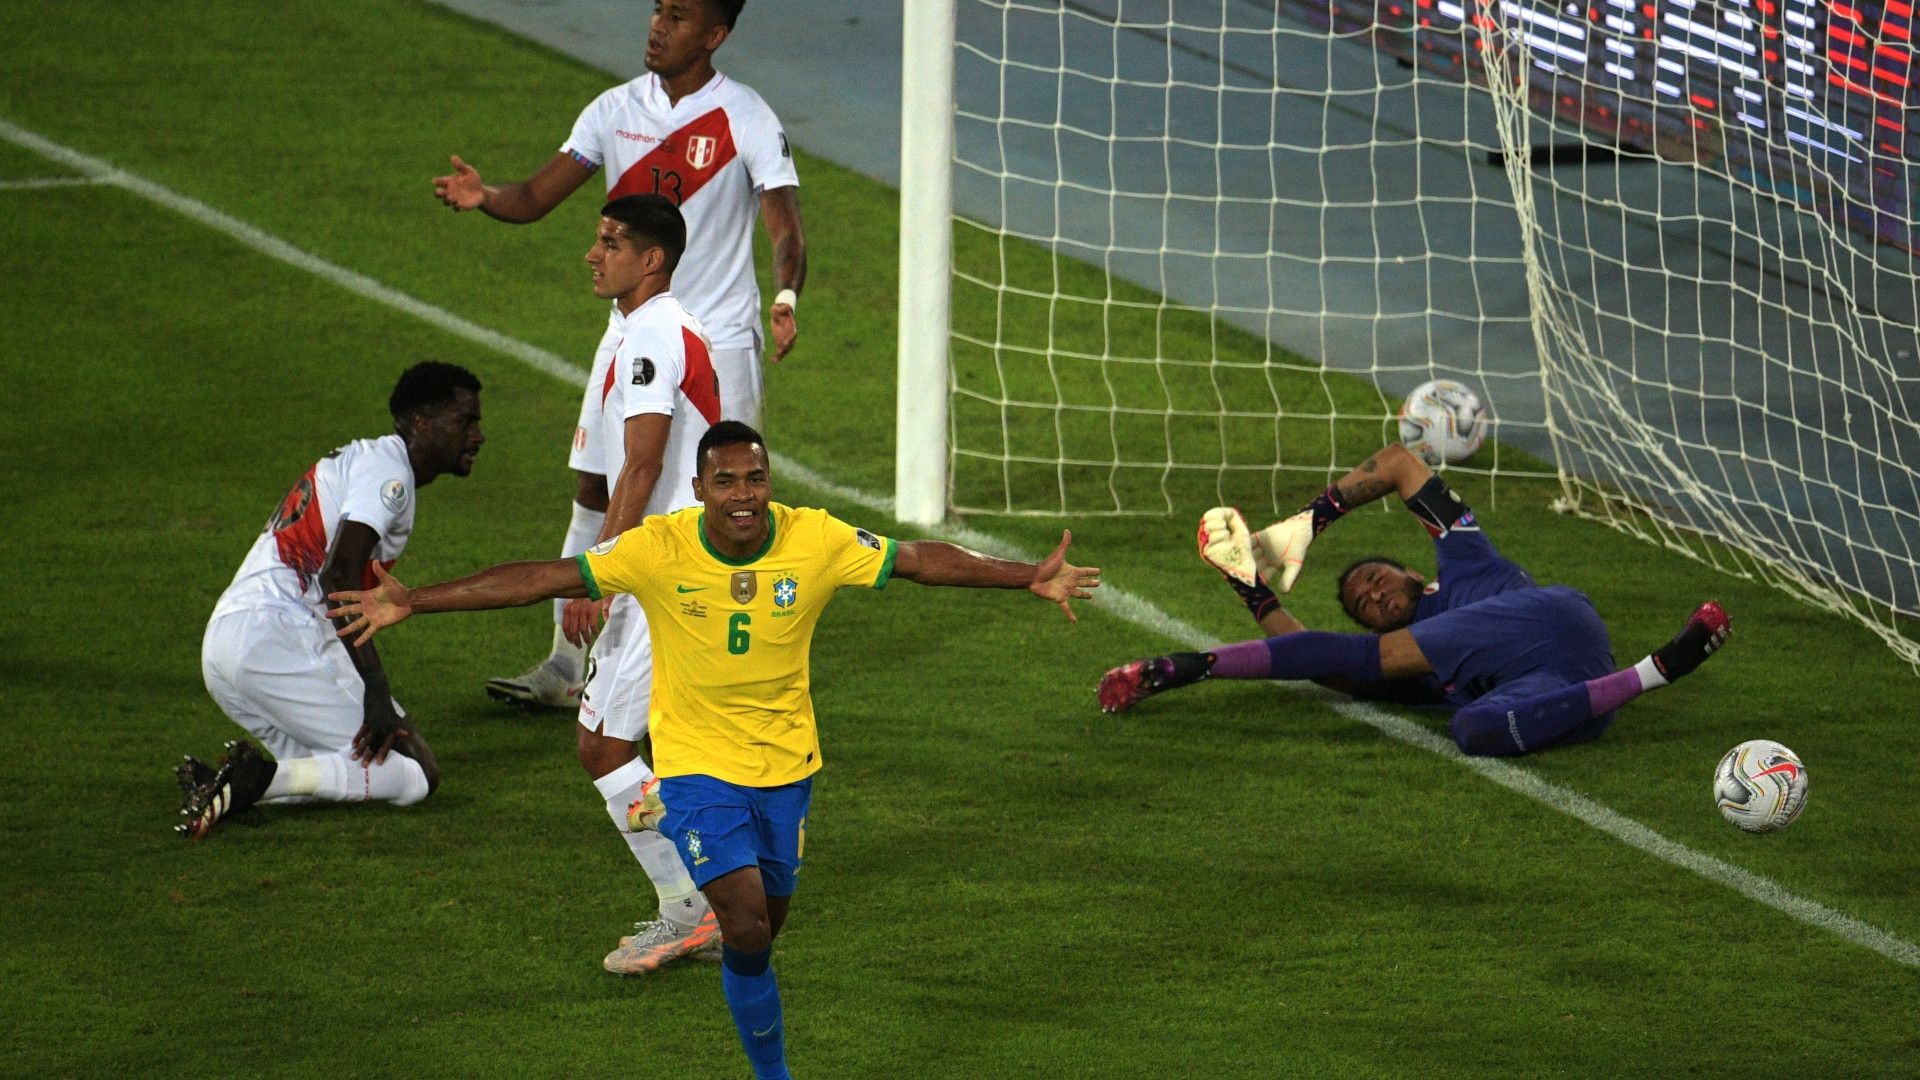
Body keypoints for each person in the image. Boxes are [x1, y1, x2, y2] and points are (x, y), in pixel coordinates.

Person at [327, 421, 1100, 1080]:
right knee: (745, 923)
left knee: (768, 925)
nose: (742, 494)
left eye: (754, 478)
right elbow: (542, 578)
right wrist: (416, 598)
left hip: (788, 769)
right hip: (696, 771)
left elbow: (919, 560)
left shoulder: (816, 540)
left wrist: (1023, 576)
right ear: (699, 489)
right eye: (725, 481)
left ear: (769, 482)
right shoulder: (659, 548)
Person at [433, 0, 806, 710]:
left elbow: (783, 218)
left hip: (714, 344)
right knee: (597, 488)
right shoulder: (613, 109)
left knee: (723, 504)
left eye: (679, 16)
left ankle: (730, 667)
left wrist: (786, 294)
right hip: (629, 336)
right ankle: (569, 667)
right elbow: (539, 195)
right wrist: (487, 197)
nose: (658, 26)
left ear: (716, 35)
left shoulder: (747, 117)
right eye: (657, 10)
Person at [1097, 442, 1732, 756]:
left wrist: (1302, 527)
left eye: (1375, 577)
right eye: (1360, 602)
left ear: (1414, 572)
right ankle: (1653, 672)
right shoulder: (1404, 664)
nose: (1370, 592)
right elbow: (1314, 656)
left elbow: (1402, 462)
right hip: (1564, 685)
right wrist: (1248, 587)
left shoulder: (1465, 563)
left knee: (1364, 661)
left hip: (1548, 617)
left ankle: (1188, 666)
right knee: (1471, 727)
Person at [175, 362, 486, 838]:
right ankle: (257, 778)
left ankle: (236, 783)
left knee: (321, 772)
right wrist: (376, 690)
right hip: (277, 634)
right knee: (415, 773)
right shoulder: (389, 473)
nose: (478, 435)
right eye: (465, 421)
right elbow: (338, 571)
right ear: (422, 423)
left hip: (227, 641)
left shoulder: (366, 459)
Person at [566, 192, 728, 974]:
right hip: (678, 563)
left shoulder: (654, 336)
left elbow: (641, 464)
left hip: (663, 570)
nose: (594, 254)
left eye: (610, 242)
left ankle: (692, 909)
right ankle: (717, 882)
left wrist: (598, 571)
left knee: (604, 745)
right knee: (654, 744)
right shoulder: (653, 330)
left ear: (651, 259)